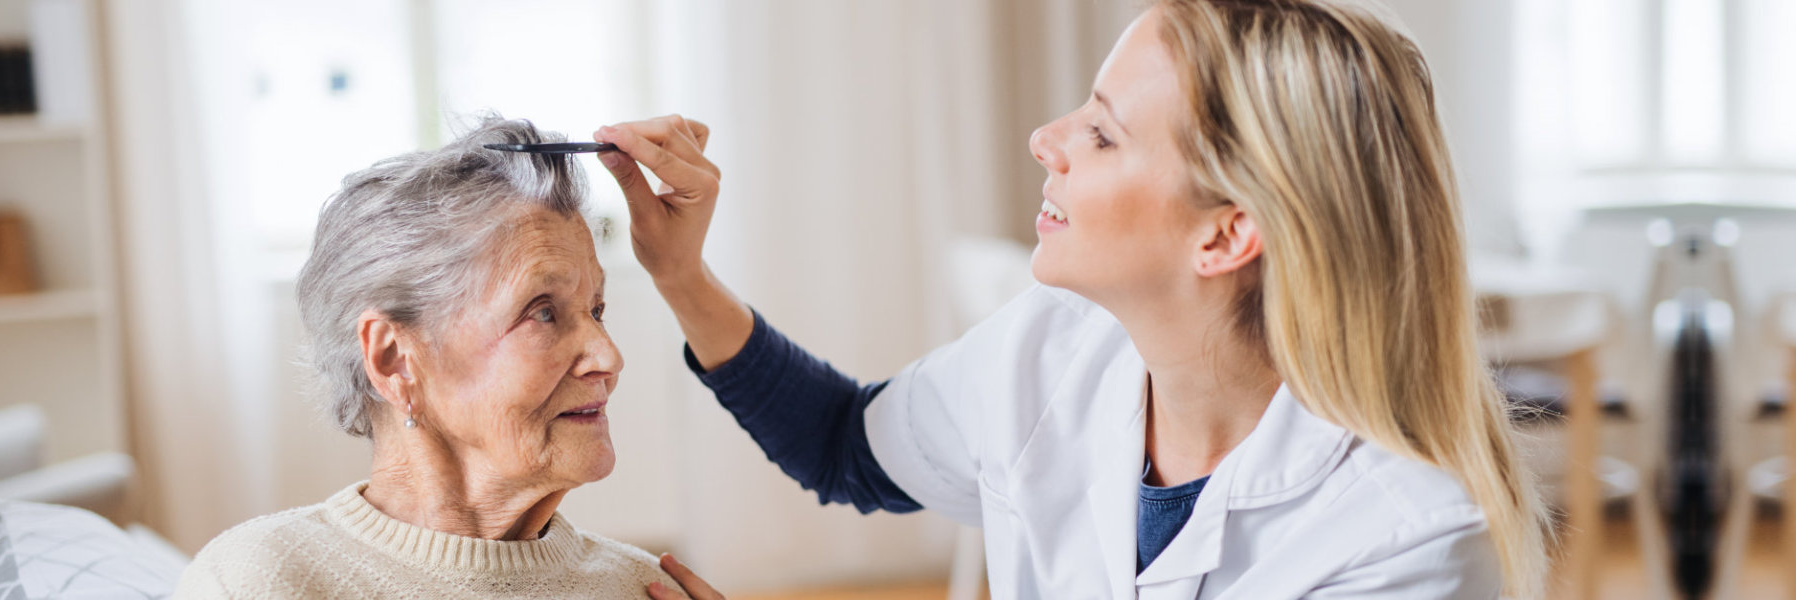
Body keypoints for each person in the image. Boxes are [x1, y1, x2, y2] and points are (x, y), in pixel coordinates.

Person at [599, 0, 1549, 598]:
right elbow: (849, 447)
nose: (1046, 138)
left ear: (1224, 234)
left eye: (1102, 133)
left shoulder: (1409, 544)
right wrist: (681, 275)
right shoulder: (1056, 346)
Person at [175, 117, 686, 599]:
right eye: (543, 313)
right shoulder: (261, 581)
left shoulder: (642, 588)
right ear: (394, 359)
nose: (608, 356)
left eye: (597, 310)